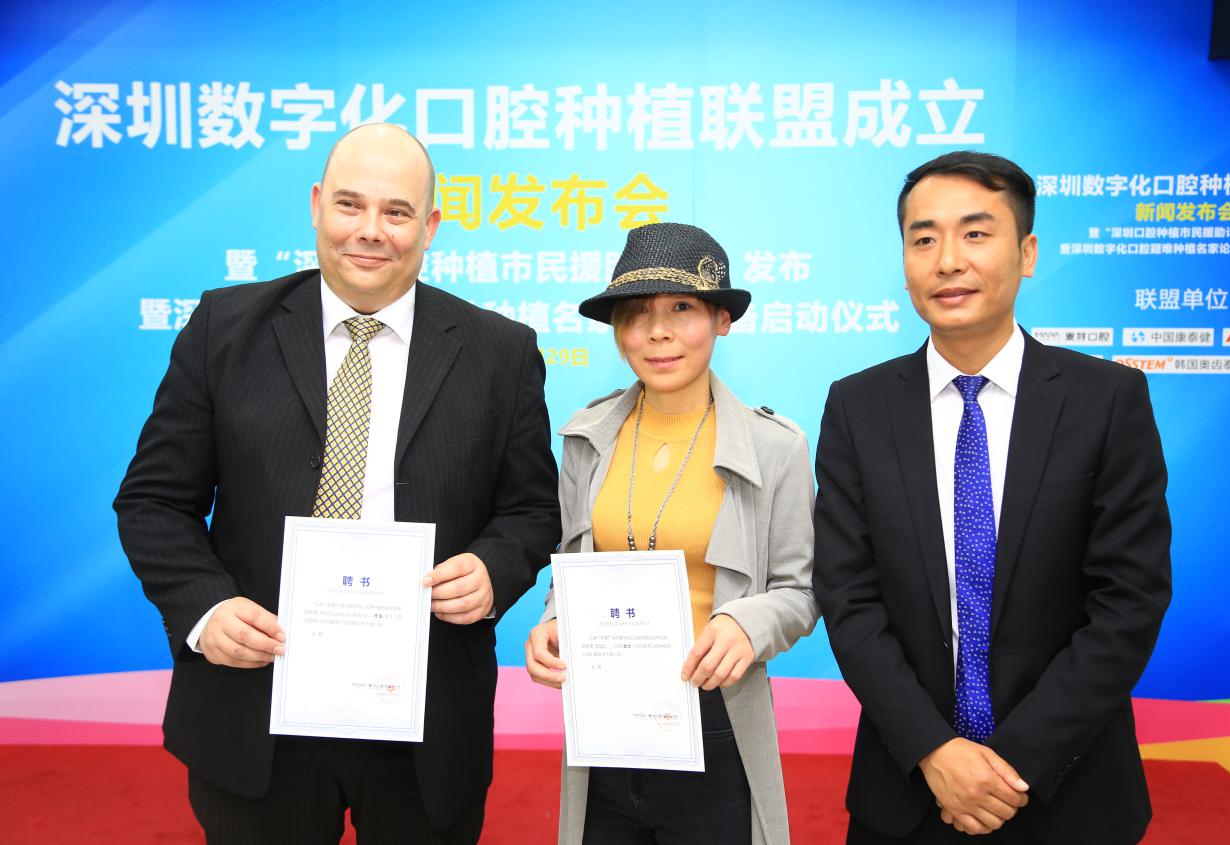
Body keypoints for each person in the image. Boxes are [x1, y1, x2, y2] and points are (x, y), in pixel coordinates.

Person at [114, 123, 560, 844]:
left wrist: (493, 568)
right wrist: (206, 609)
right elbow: (154, 501)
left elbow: (533, 508)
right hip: (256, 703)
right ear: (317, 205)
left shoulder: (500, 351)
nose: (370, 230)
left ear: (429, 226)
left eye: (396, 211)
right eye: (350, 204)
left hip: (424, 711)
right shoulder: (224, 327)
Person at [812, 151, 1171, 844]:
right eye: (923, 239)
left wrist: (1012, 763)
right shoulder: (857, 406)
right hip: (909, 788)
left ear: (1027, 253)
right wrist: (934, 750)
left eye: (975, 233)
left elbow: (1129, 599)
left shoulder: (1105, 400)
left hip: (1069, 788)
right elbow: (848, 596)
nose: (948, 260)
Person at [524, 222, 819, 844]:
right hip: (604, 721)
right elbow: (570, 567)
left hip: (716, 720)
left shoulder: (775, 446)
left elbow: (801, 591)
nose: (657, 331)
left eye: (682, 308)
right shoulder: (586, 437)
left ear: (721, 320)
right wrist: (555, 620)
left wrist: (748, 623)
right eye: (636, 313)